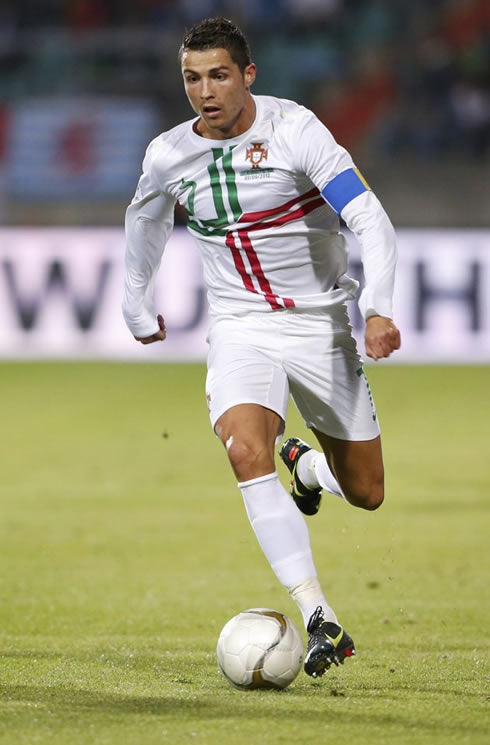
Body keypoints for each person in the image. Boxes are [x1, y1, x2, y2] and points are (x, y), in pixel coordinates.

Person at [122, 16, 401, 679]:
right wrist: (135, 301)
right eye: (192, 78)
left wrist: (379, 305)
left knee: (366, 491)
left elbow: (367, 214)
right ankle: (319, 616)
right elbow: (145, 221)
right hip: (241, 324)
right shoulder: (168, 153)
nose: (205, 91)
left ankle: (307, 470)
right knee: (246, 448)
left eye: (219, 75)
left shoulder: (294, 130)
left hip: (322, 324)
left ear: (248, 74)